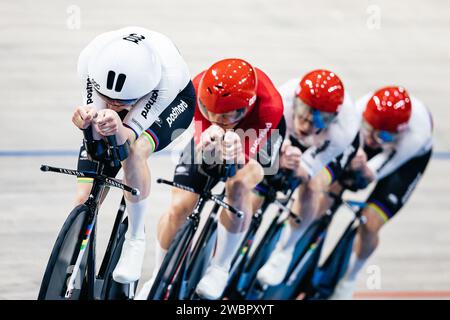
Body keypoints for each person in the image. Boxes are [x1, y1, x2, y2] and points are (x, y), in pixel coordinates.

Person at [136, 58, 285, 300]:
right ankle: (159, 275)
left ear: (244, 108)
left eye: (225, 115)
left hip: (259, 134)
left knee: (238, 186)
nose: (217, 118)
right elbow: (203, 143)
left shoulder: (270, 106)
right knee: (179, 207)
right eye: (209, 111)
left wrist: (234, 152)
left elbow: (242, 160)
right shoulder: (196, 89)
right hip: (215, 135)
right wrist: (209, 138)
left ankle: (220, 268)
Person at [71, 26, 195, 285]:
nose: (114, 105)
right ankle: (74, 255)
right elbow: (94, 124)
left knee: (135, 151)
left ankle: (135, 238)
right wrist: (86, 122)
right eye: (109, 98)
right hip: (130, 92)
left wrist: (119, 125)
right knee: (84, 199)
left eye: (122, 101)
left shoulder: (167, 78)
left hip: (172, 104)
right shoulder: (90, 59)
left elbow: (126, 137)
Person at [256, 69, 361, 286]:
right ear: (295, 103)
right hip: (288, 135)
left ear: (332, 119)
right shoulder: (282, 98)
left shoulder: (344, 128)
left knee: (312, 185)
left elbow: (306, 169)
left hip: (328, 148)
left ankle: (286, 249)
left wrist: (296, 167)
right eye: (303, 117)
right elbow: (266, 146)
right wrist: (279, 157)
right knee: (263, 172)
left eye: (316, 122)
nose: (305, 127)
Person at [329, 86, 433, 299]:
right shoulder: (360, 108)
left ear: (399, 131)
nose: (373, 139)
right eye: (369, 128)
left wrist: (361, 169)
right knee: (329, 186)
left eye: (382, 134)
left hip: (406, 160)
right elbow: (347, 144)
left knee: (370, 222)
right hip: (382, 140)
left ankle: (350, 277)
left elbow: (373, 172)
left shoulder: (416, 134)